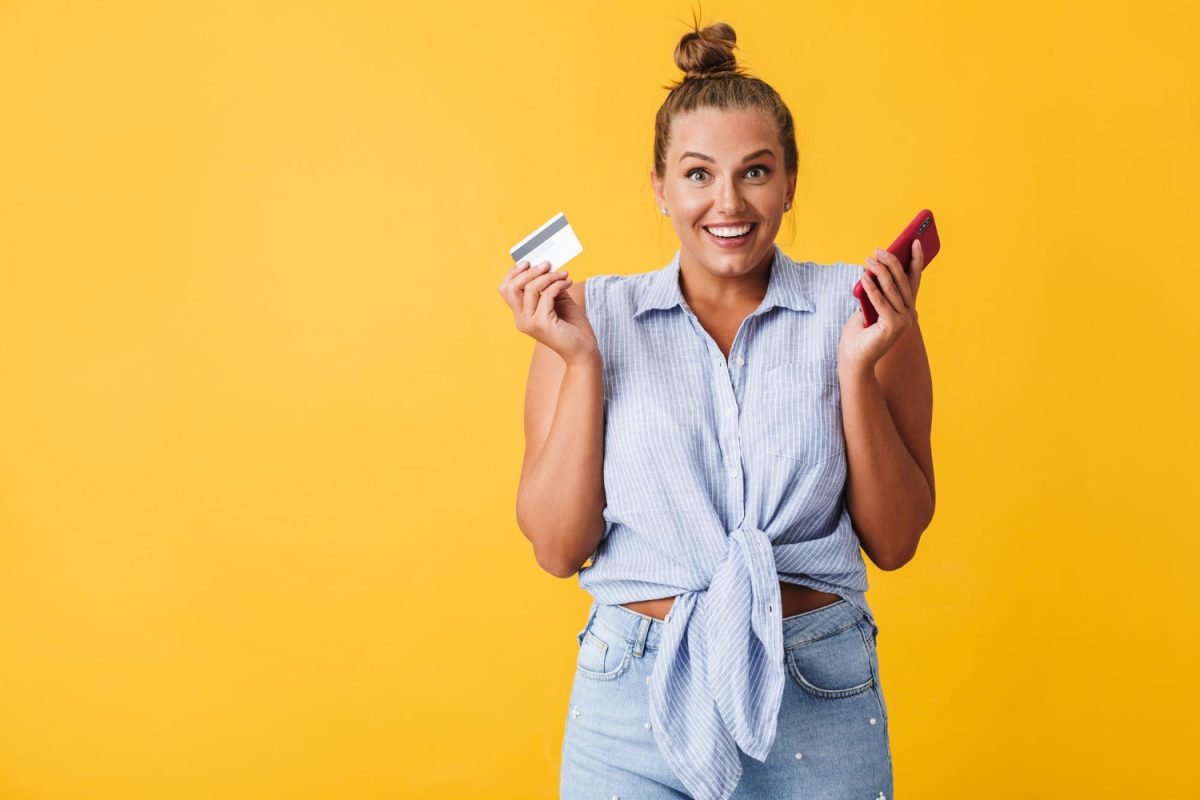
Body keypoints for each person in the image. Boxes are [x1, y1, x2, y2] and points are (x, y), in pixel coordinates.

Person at [497, 18, 935, 800]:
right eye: (698, 175)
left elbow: (895, 541)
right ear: (660, 188)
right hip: (632, 693)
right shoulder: (585, 317)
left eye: (755, 172)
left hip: (817, 687)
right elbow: (560, 549)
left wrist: (856, 373)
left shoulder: (862, 310)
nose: (727, 202)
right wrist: (582, 361)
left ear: (791, 182)